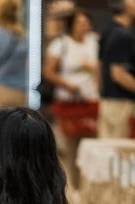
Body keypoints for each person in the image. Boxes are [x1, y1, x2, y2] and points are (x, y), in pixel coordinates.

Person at [44, 9, 99, 190]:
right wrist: (67, 84)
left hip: (91, 100)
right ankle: (75, 186)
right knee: (71, 146)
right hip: (68, 101)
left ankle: (89, 185)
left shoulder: (94, 42)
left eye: (86, 23)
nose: (84, 27)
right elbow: (49, 72)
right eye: (80, 23)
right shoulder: (61, 44)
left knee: (92, 144)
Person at [98, 0, 135, 138]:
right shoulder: (122, 36)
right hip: (120, 103)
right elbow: (118, 74)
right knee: (119, 151)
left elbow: (99, 66)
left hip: (108, 101)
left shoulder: (108, 31)